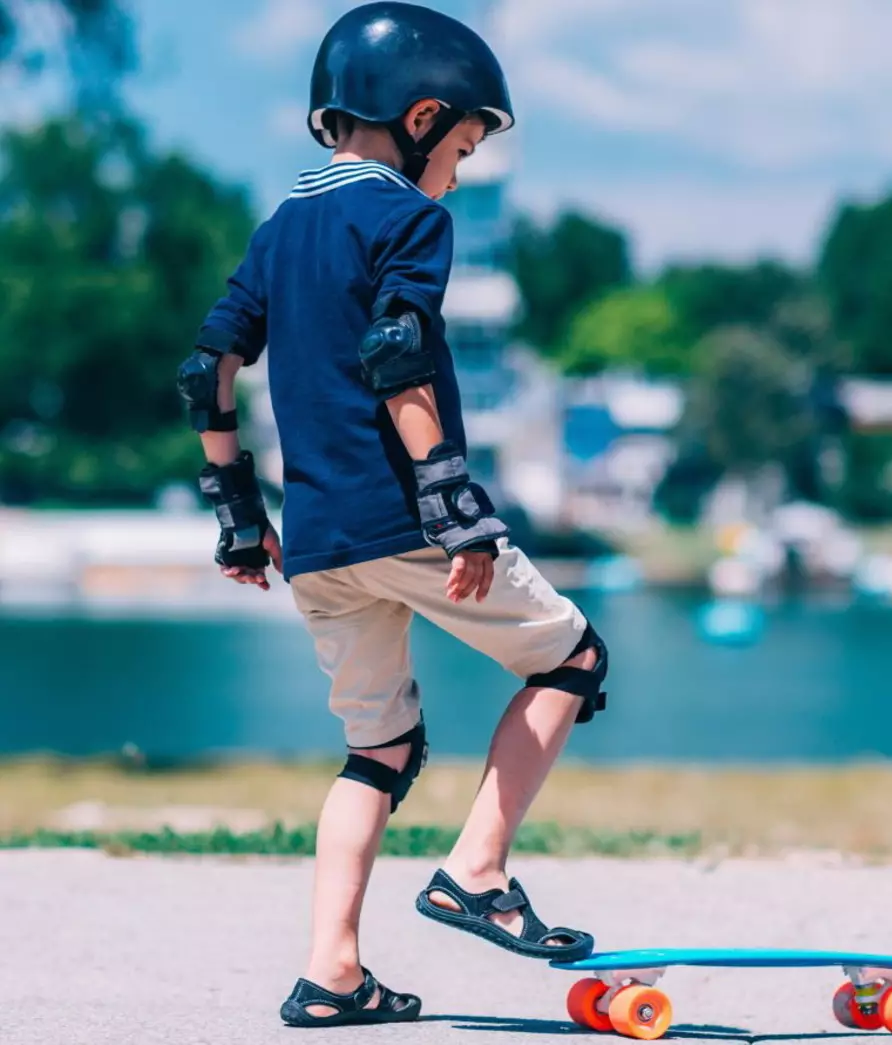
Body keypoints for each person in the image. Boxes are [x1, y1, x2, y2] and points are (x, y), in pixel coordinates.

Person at [176, 2, 608, 1027]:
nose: (456, 172)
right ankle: (479, 872)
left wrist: (240, 513)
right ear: (421, 119)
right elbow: (399, 355)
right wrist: (456, 509)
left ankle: (332, 972)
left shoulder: (279, 230)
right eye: (459, 147)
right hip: (407, 518)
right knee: (573, 661)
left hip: (318, 541)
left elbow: (208, 370)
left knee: (380, 748)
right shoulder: (411, 219)